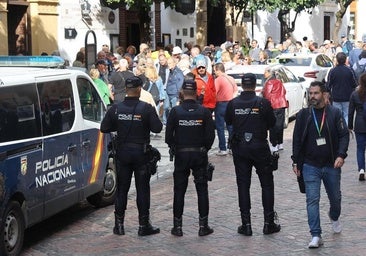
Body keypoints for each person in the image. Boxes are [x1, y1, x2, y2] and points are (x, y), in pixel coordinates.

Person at [100, 76, 163, 236]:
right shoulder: (146, 108)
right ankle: (143, 225)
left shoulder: (116, 108)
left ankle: (119, 225)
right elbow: (157, 128)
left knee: (122, 189)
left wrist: (120, 124)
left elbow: (104, 127)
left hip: (123, 153)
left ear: (126, 90)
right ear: (140, 89)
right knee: (142, 190)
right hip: (141, 154)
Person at [292, 81, 349, 248]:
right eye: (310, 94)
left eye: (316, 93)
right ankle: (316, 235)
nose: (312, 97)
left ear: (325, 95)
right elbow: (296, 140)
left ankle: (334, 215)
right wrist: (296, 161)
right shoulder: (303, 115)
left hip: (331, 165)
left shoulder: (334, 113)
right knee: (312, 200)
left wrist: (341, 155)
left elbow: (344, 135)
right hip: (310, 165)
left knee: (335, 198)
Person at [225, 73, 281, 237]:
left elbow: (228, 121)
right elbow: (272, 123)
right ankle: (268, 223)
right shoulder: (262, 103)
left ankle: (246, 224)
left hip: (240, 147)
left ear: (242, 85)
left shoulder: (233, 103)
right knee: (267, 184)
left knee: (243, 185)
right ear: (255, 84)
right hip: (259, 145)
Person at [165, 79, 215, 237]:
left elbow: (168, 136)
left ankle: (177, 226)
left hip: (181, 154)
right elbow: (210, 137)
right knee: (202, 190)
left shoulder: (175, 112)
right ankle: (203, 225)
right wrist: (203, 148)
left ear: (182, 93)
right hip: (199, 154)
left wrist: (176, 146)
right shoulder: (204, 112)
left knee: (179, 191)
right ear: (196, 92)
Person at [326, 52, 358, 125]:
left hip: (336, 97)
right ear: (345, 60)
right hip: (347, 96)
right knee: (346, 115)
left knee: (337, 115)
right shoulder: (349, 70)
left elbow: (328, 84)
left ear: (336, 60)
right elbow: (355, 83)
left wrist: (327, 93)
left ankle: (339, 130)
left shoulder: (332, 71)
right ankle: (345, 130)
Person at [213, 62, 238, 155]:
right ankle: (231, 147)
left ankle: (223, 148)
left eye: (215, 70)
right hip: (231, 104)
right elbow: (235, 91)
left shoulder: (218, 80)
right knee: (231, 126)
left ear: (218, 70)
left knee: (220, 127)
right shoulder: (231, 78)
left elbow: (214, 93)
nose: (214, 72)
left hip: (220, 104)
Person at [262, 66, 288, 152]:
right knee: (280, 125)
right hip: (282, 104)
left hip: (274, 105)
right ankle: (280, 143)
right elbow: (284, 91)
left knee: (273, 125)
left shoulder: (269, 83)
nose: (264, 74)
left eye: (265, 72)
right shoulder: (279, 82)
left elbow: (267, 95)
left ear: (269, 73)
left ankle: (274, 144)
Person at [348, 73, 366, 181]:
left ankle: (361, 169)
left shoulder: (355, 94)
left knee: (360, 148)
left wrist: (350, 126)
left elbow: (350, 112)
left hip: (359, 124)